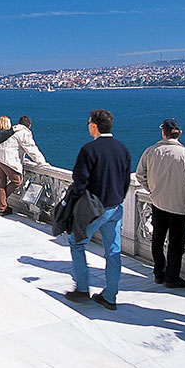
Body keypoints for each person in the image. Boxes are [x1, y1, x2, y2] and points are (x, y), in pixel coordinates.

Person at [64, 109, 131, 311]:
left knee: (76, 243)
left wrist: (74, 204)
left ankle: (82, 289)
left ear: (94, 126)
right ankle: (110, 296)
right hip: (115, 207)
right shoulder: (123, 149)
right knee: (113, 252)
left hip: (95, 209)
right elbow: (125, 180)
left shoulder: (89, 150)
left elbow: (79, 182)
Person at [135, 118, 185, 288]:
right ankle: (172, 277)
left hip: (157, 202)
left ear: (163, 132)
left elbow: (140, 175)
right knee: (176, 243)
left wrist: (151, 189)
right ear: (179, 134)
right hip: (179, 205)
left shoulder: (151, 151)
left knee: (157, 239)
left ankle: (158, 272)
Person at [0, 115, 47, 216]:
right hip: (7, 159)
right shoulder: (24, 133)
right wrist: (41, 162)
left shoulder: (12, 130)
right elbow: (31, 148)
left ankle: (2, 206)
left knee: (1, 183)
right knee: (16, 181)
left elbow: (12, 145)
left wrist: (21, 157)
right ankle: (1, 202)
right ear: (29, 126)